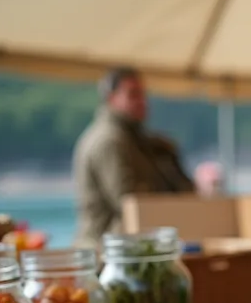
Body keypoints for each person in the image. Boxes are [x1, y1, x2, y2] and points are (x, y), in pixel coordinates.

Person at [72, 67, 195, 248]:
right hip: (107, 252)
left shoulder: (135, 140)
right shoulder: (109, 141)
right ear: (112, 98)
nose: (142, 101)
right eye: (133, 94)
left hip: (125, 248)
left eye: (143, 95)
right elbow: (129, 202)